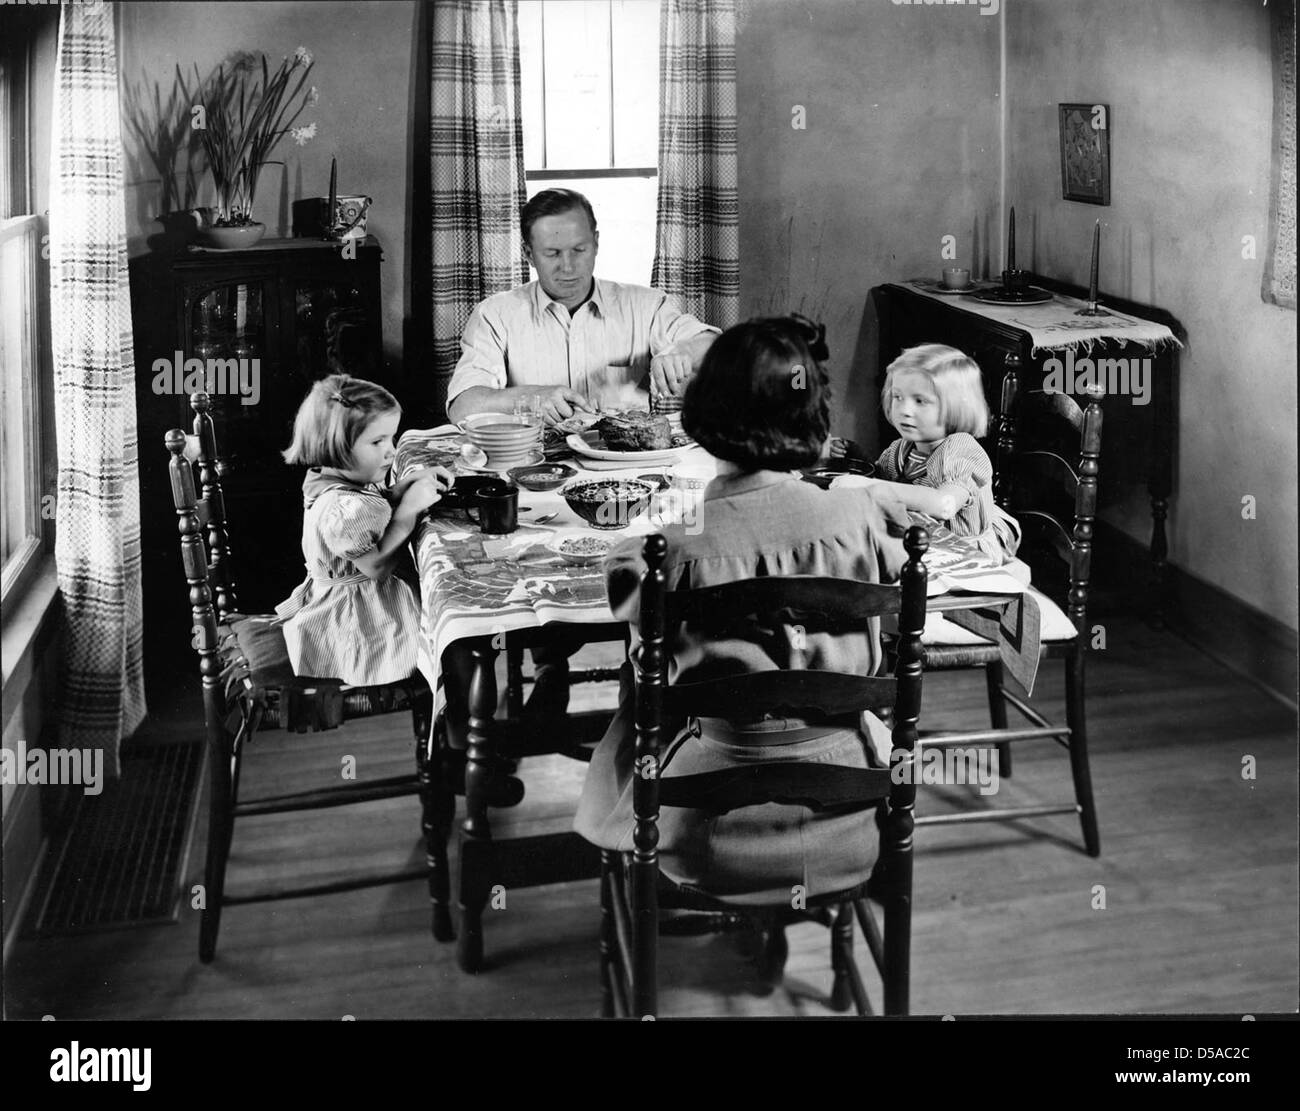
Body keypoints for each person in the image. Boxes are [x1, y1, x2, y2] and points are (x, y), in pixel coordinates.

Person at [574, 317, 912, 905]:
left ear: (703, 420)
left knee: (640, 701)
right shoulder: (858, 521)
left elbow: (626, 591)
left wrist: (641, 541)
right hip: (850, 821)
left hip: (706, 830)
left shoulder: (670, 552)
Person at [446, 187, 719, 427]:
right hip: (535, 470)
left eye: (579, 250)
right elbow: (462, 406)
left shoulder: (645, 306)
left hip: (630, 469)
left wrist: (679, 351)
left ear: (596, 243)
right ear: (528, 254)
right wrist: (530, 397)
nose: (568, 266)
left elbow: (716, 346)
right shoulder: (495, 314)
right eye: (552, 253)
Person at [275, 374, 452, 686]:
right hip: (361, 622)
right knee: (453, 644)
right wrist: (408, 509)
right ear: (337, 446)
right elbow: (376, 565)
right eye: (377, 442)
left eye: (391, 439)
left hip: (349, 599)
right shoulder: (343, 510)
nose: (392, 451)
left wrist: (402, 488)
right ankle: (451, 716)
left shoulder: (329, 478)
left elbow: (370, 504)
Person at [831, 343, 1020, 564]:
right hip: (923, 545)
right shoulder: (902, 448)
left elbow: (943, 505)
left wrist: (870, 487)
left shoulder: (960, 450)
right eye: (898, 397)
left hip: (965, 555)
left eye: (920, 401)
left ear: (955, 407)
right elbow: (886, 481)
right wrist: (856, 457)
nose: (904, 410)